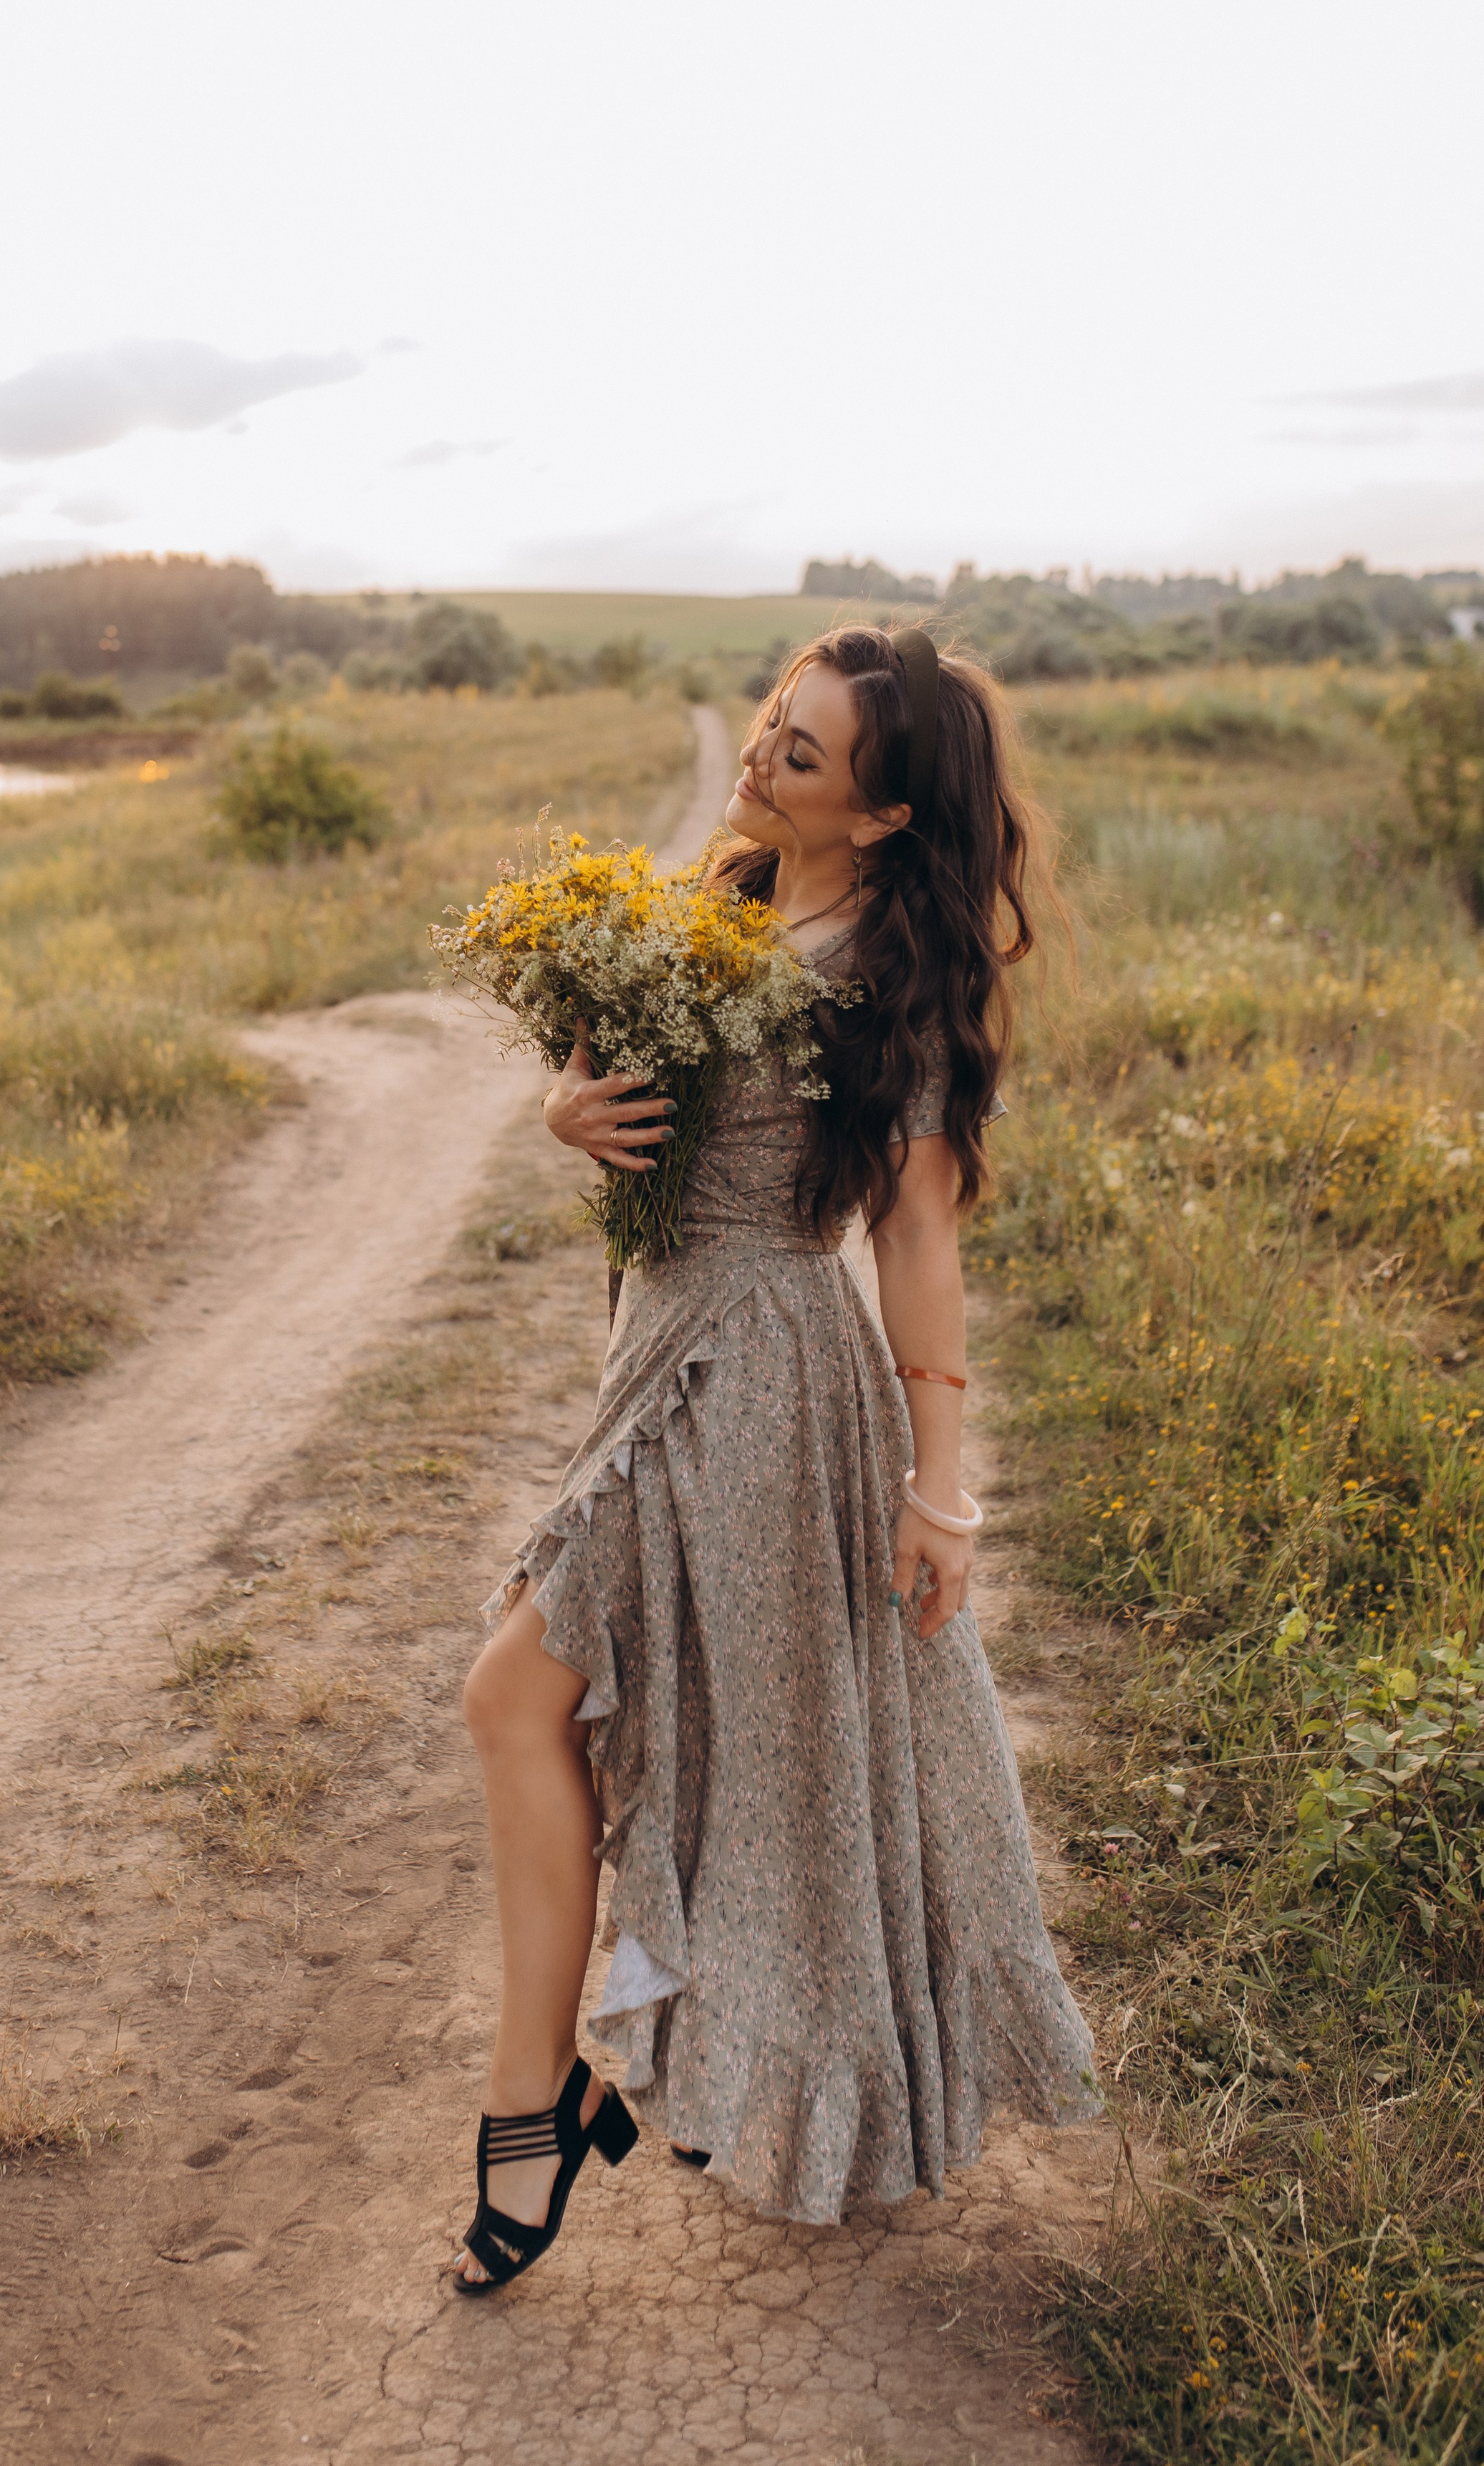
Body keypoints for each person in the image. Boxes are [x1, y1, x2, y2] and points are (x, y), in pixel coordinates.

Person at [453, 623, 1099, 2293]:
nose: (757, 761)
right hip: (652, 1342)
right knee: (612, 1715)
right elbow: (639, 1103)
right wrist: (566, 1113)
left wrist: (938, 1482)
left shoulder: (894, 966)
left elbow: (915, 1232)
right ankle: (581, 2083)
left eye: (799, 755)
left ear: (880, 814)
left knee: (524, 1696)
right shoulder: (732, 898)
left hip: (761, 1377)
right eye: (768, 727)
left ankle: (538, 2103)